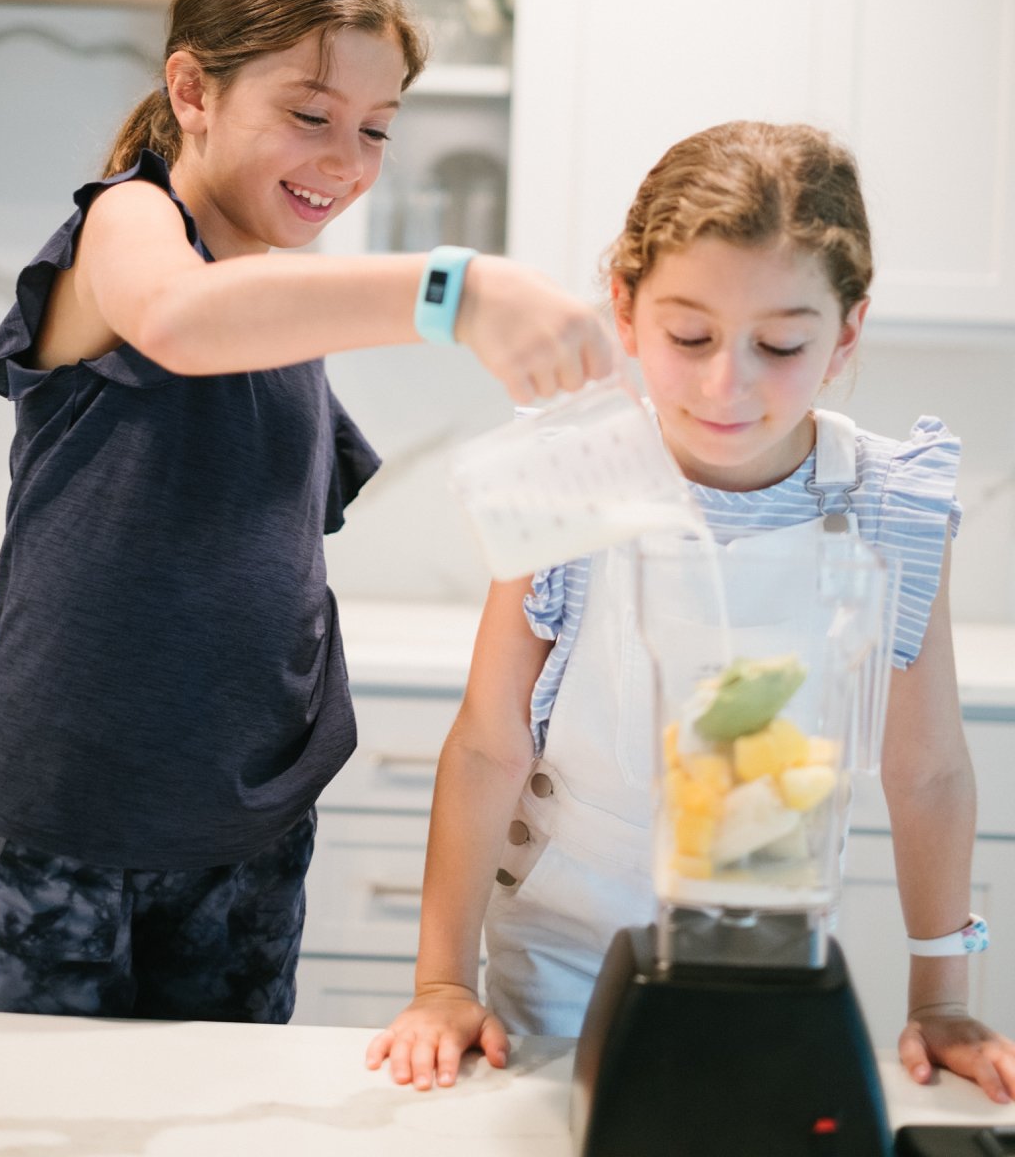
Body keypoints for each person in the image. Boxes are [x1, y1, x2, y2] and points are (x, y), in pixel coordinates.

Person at [0, 0, 614, 1023]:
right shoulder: (131, 224)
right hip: (72, 812)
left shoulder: (278, 294)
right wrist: (452, 289)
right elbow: (179, 322)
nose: (346, 160)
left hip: (251, 822)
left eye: (375, 128)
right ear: (192, 90)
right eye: (310, 115)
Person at [367, 120, 1015, 1102]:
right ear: (624, 310)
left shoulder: (889, 500)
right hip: (558, 968)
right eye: (690, 336)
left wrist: (938, 998)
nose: (728, 382)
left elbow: (925, 771)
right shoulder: (568, 478)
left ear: (846, 333)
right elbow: (491, 743)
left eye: (781, 343)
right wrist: (443, 982)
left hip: (772, 957)